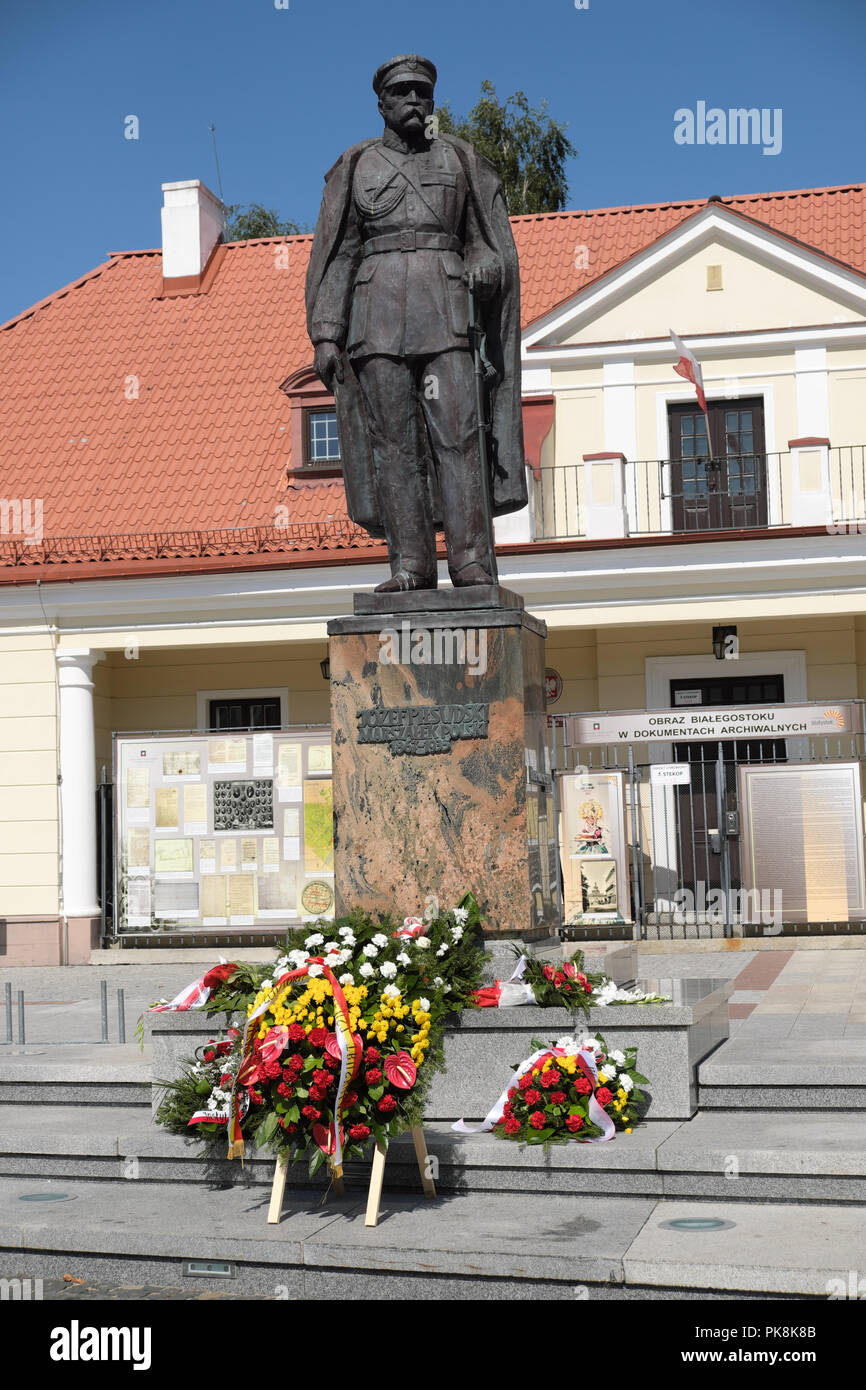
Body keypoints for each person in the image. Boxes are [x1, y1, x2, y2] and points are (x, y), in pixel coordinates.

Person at [305, 54, 527, 593]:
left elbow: (486, 243)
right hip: (375, 320)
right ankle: (410, 566)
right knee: (394, 447)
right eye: (401, 93)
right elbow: (339, 255)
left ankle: (470, 562)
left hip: (446, 315)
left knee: (460, 437)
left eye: (421, 94)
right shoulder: (358, 167)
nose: (413, 102)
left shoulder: (458, 161)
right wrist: (327, 332)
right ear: (380, 103)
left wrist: (486, 264)